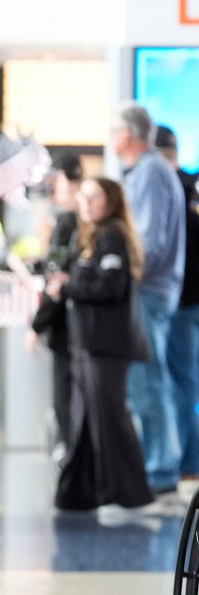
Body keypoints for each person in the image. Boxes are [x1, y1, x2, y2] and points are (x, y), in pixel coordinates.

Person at [45, 177, 156, 513]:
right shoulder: (89, 237)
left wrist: (66, 288)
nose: (86, 202)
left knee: (109, 419)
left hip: (105, 346)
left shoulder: (112, 235)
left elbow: (110, 286)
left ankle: (133, 494)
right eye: (84, 196)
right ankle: (80, 493)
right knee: (85, 421)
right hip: (85, 344)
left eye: (94, 196)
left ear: (110, 201)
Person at [112, 102, 187, 493]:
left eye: (113, 131)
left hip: (150, 292)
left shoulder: (150, 172)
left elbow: (150, 241)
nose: (111, 139)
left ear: (128, 134)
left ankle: (159, 470)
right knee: (149, 379)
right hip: (156, 290)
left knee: (148, 380)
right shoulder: (151, 170)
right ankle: (158, 465)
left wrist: (127, 275)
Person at [29, 152, 84, 457]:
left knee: (66, 392)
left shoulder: (69, 221)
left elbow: (57, 280)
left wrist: (37, 326)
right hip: (86, 325)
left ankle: (72, 454)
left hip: (69, 327)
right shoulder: (81, 222)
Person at [156, 125, 199, 494]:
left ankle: (188, 466)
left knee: (181, 385)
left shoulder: (170, 188)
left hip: (182, 301)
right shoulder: (189, 185)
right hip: (186, 300)